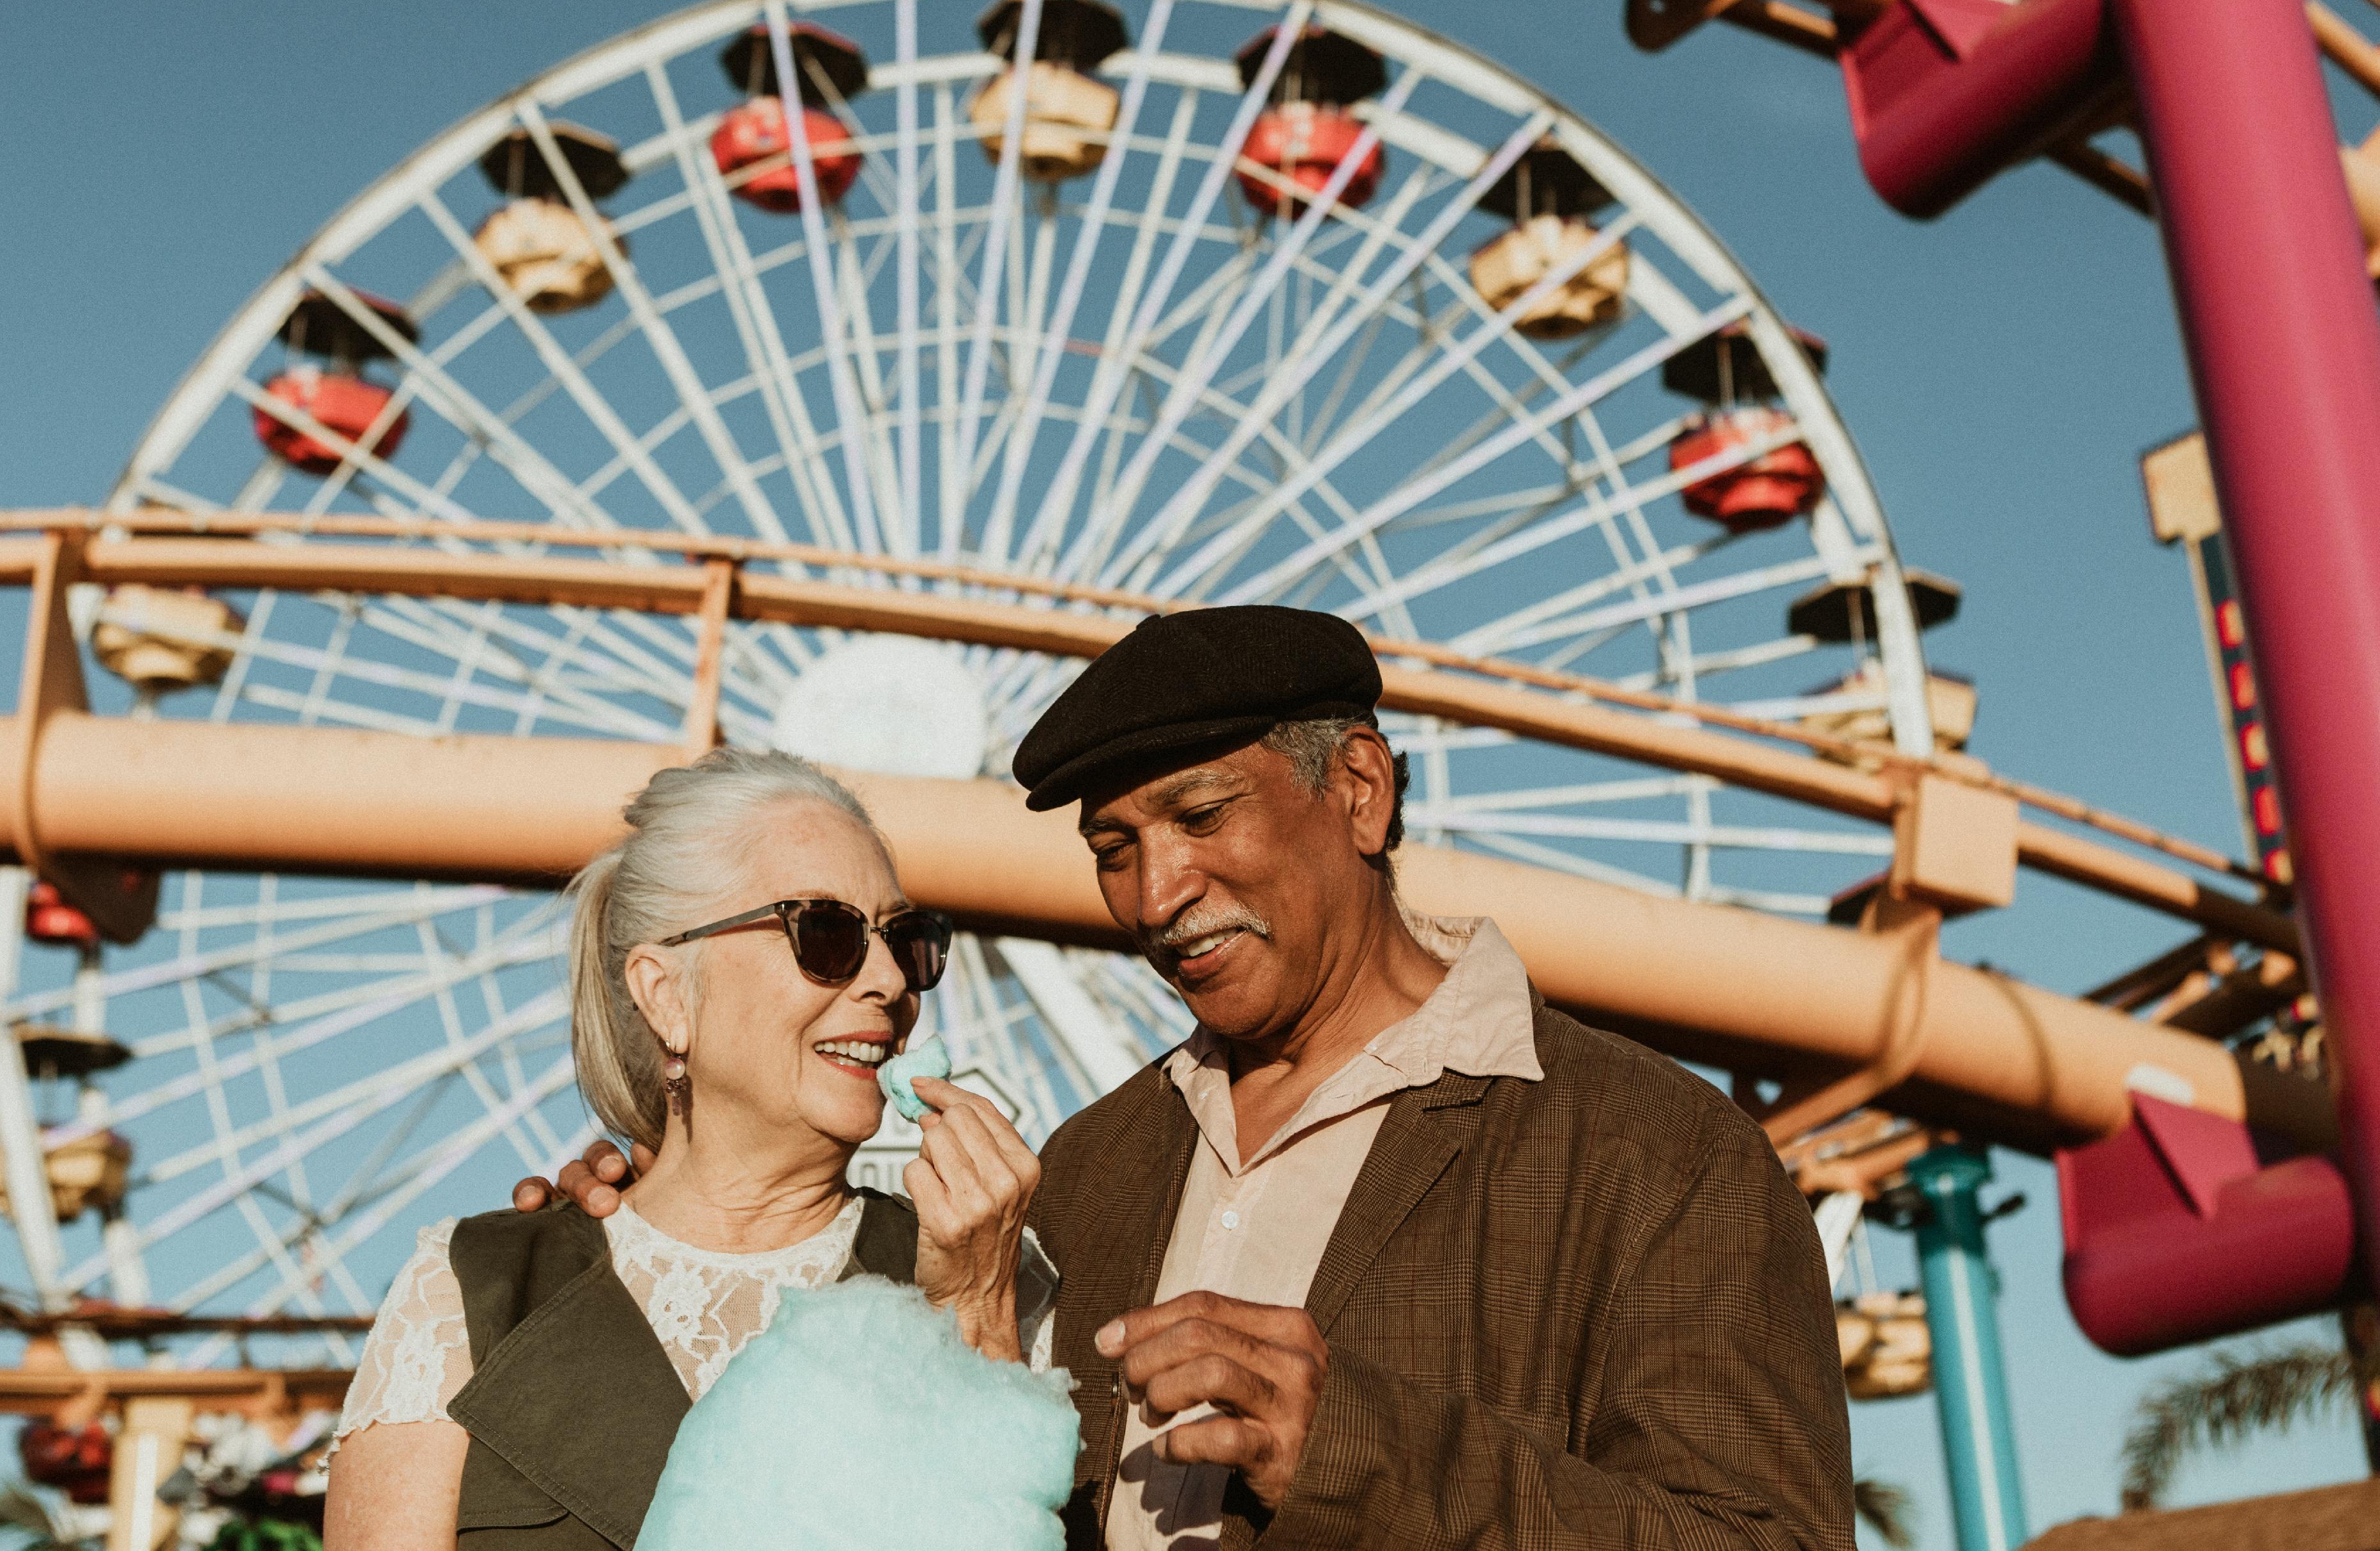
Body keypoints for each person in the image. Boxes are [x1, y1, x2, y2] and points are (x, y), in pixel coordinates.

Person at [529, 609, 1854, 1551]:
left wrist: (1355, 1450)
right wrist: (653, 1225)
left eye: (1202, 818)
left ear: (1361, 793)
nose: (1157, 895)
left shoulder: (1649, 1152)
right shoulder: (1090, 1171)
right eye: (1115, 847)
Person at [325, 748, 1047, 1551]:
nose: (889, 980)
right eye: (826, 933)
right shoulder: (469, 1296)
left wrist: (974, 1321)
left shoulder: (1001, 1281)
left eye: (907, 939)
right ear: (666, 994)